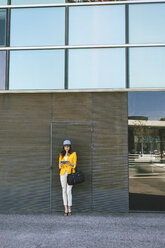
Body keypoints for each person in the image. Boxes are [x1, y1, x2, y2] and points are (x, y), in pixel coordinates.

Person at [59, 140, 77, 216]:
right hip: (63, 173)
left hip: (70, 174)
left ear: (70, 147)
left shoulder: (73, 154)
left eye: (68, 146)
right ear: (63, 147)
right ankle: (65, 208)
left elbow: (74, 165)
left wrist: (70, 164)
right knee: (64, 190)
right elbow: (59, 165)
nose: (67, 148)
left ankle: (69, 208)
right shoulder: (61, 154)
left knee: (68, 191)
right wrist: (61, 165)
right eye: (65, 146)